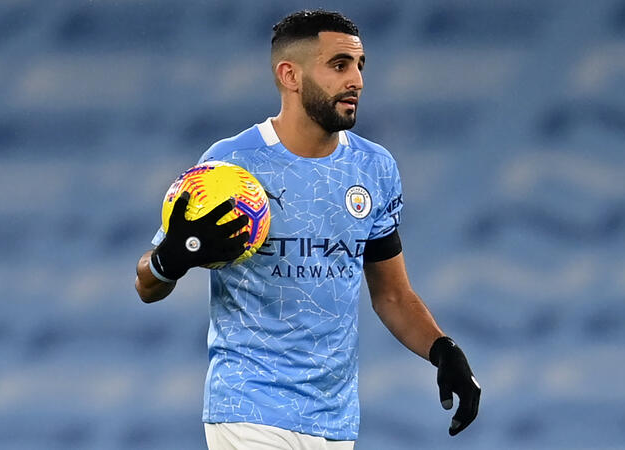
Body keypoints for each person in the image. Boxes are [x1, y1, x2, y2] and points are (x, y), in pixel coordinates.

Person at [135, 9, 481, 449]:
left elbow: (392, 295)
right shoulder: (229, 166)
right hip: (248, 408)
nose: (356, 80)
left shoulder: (373, 167)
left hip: (334, 421)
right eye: (339, 65)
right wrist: (171, 259)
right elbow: (147, 284)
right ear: (290, 75)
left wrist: (442, 350)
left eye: (359, 65)